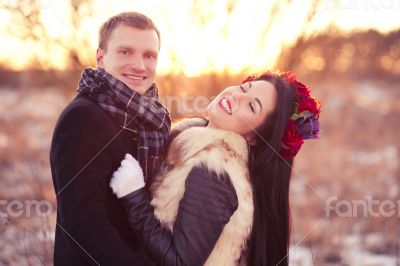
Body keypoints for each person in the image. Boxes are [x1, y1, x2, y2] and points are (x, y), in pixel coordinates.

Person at [110, 71, 321, 265]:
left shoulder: (215, 170)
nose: (237, 97)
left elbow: (181, 262)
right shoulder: (192, 143)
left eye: (251, 106)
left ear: (254, 137)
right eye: (244, 88)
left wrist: (134, 196)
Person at [50, 12, 171, 265]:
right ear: (100, 58)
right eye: (125, 52)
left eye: (149, 55)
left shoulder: (151, 118)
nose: (139, 65)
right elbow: (84, 229)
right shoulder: (83, 118)